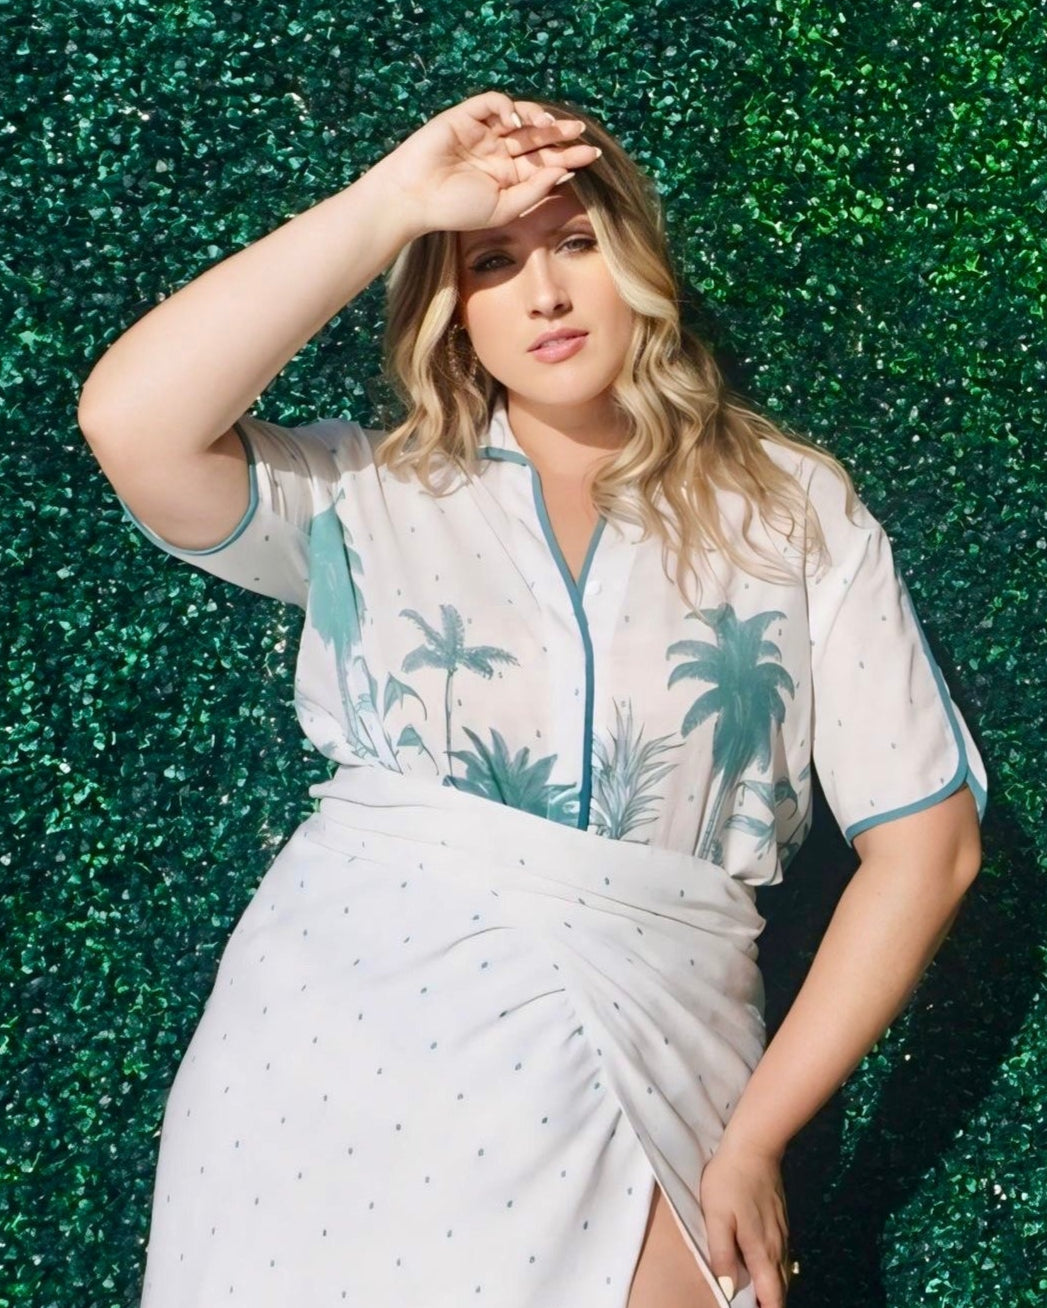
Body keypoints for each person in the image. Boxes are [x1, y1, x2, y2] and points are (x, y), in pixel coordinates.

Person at [77, 90, 987, 1308]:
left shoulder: (790, 507)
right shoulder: (365, 490)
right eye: (492, 262)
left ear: (638, 257)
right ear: (449, 308)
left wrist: (759, 1137)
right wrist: (392, 202)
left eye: (575, 243)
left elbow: (928, 849)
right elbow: (128, 420)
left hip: (664, 1054)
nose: (545, 296)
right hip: (326, 1065)